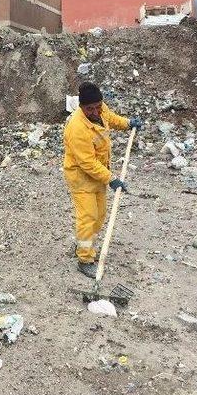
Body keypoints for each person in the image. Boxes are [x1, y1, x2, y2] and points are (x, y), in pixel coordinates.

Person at [63, 82, 143, 279]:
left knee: (99, 216)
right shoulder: (77, 128)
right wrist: (112, 179)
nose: (95, 112)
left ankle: (84, 243)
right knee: (88, 216)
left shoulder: (100, 109)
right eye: (90, 109)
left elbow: (111, 118)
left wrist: (127, 123)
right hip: (81, 178)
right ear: (81, 107)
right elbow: (87, 163)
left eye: (98, 106)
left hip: (99, 175)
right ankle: (84, 259)